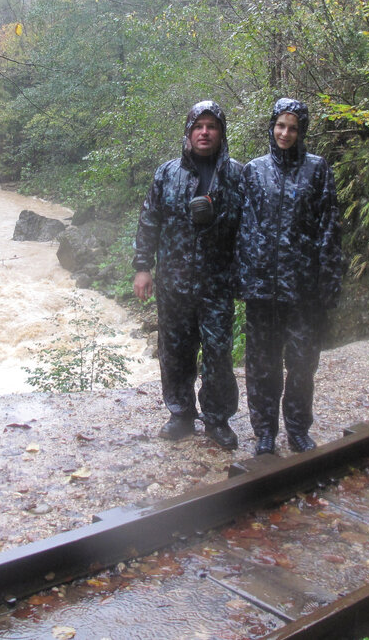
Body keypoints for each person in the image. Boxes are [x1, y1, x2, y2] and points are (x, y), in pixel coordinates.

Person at [133, 101, 243, 450]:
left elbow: (249, 229)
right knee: (176, 352)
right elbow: (149, 221)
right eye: (198, 126)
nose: (204, 132)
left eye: (211, 126)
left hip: (218, 283)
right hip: (173, 284)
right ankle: (180, 414)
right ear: (188, 132)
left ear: (221, 133)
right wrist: (142, 267)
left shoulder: (237, 175)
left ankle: (217, 419)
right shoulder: (166, 174)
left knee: (218, 353)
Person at [235, 98, 343, 456]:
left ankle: (297, 428)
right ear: (271, 127)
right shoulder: (254, 171)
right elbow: (243, 230)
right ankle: (265, 431)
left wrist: (328, 282)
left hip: (302, 289)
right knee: (262, 364)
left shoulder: (318, 170)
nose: (285, 133)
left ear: (302, 131)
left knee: (301, 362)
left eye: (293, 127)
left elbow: (329, 228)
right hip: (262, 290)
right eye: (280, 126)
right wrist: (244, 280)